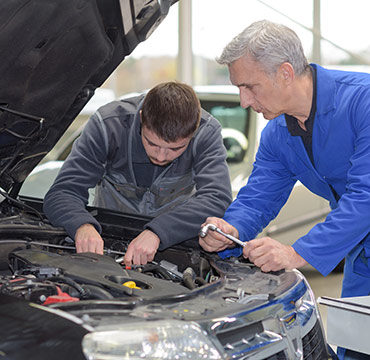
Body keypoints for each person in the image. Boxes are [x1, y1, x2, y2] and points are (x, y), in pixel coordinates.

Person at [198, 20, 370, 360]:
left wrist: (296, 253)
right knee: (357, 350)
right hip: (362, 256)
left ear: (286, 73)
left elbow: (367, 197)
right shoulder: (278, 132)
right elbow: (260, 193)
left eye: (250, 87)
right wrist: (231, 228)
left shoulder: (362, 102)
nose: (244, 101)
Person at [44, 81, 232, 267]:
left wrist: (158, 232)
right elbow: (63, 193)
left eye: (175, 148)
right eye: (152, 143)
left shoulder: (206, 132)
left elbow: (216, 198)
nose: (160, 156)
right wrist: (82, 226)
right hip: (108, 241)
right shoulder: (108, 126)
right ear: (142, 119)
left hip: (176, 245)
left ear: (193, 133)